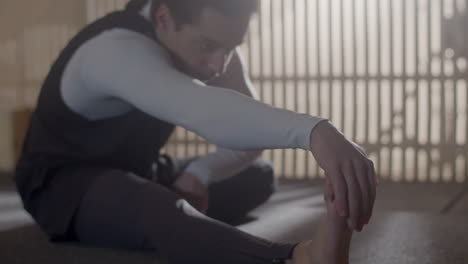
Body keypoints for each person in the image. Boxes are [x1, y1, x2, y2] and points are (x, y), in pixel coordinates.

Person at [14, 0, 377, 263]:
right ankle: (298, 259)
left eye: (232, 48)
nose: (219, 66)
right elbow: (203, 110)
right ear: (164, 17)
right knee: (158, 206)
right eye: (208, 46)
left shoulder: (215, 50)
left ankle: (172, 217)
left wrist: (199, 174)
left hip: (142, 168)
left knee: (259, 175)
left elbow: (248, 141)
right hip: (63, 186)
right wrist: (314, 131)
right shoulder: (113, 49)